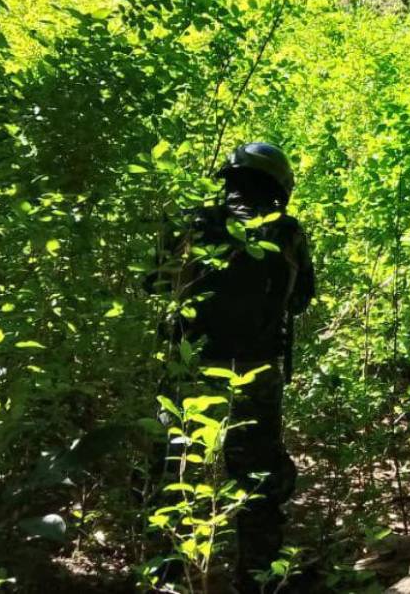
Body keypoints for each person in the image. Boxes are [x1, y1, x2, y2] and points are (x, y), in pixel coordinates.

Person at [154, 142, 315, 591]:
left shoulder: (191, 222)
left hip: (190, 371)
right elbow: (300, 299)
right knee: (258, 477)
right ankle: (258, 577)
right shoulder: (287, 232)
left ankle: (173, 575)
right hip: (257, 371)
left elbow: (155, 282)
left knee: (179, 471)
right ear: (280, 185)